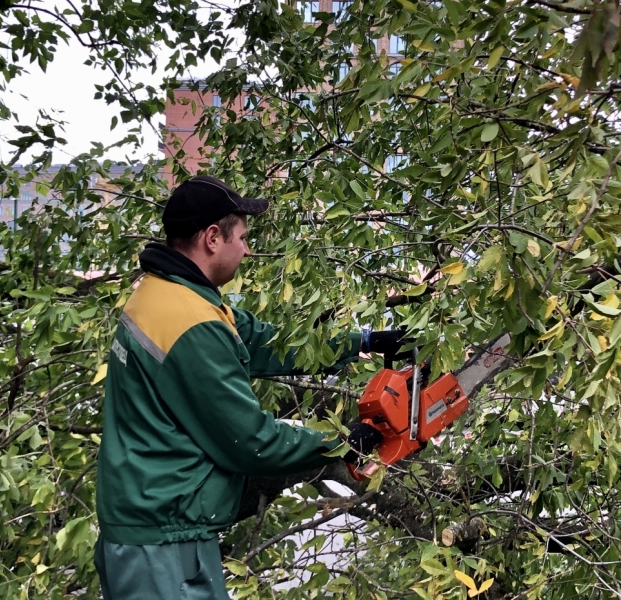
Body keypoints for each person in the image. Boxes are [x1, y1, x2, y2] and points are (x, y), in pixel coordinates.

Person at [94, 176, 407, 599]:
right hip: (162, 542)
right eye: (241, 238)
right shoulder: (190, 324)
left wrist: (364, 341)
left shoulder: (171, 293)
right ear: (212, 238)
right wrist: (342, 442)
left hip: (153, 523)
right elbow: (250, 440)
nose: (247, 250)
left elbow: (265, 341)